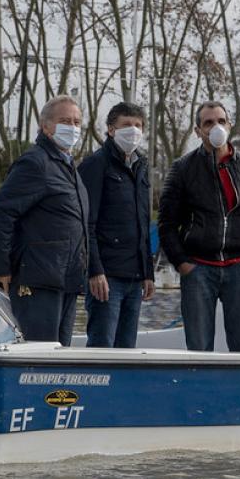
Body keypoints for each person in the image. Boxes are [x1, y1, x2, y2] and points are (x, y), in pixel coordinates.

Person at [158, 101, 240, 352]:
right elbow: (167, 222)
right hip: (198, 268)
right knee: (199, 347)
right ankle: (200, 390)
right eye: (209, 123)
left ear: (230, 125)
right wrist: (182, 262)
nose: (216, 127)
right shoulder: (182, 168)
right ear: (198, 130)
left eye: (221, 121)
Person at [0, 95, 88, 346]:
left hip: (66, 278)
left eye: (77, 121)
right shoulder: (36, 163)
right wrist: (1, 267)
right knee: (40, 351)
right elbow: (1, 212)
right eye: (65, 120)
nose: (72, 127)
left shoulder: (68, 167)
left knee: (60, 353)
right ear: (45, 126)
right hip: (38, 278)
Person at [78, 102, 155, 348]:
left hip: (135, 278)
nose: (133, 130)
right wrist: (94, 270)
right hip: (106, 277)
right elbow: (86, 223)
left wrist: (148, 272)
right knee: (102, 349)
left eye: (138, 125)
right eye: (126, 125)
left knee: (127, 352)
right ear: (111, 129)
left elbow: (143, 224)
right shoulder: (95, 165)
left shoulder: (141, 167)